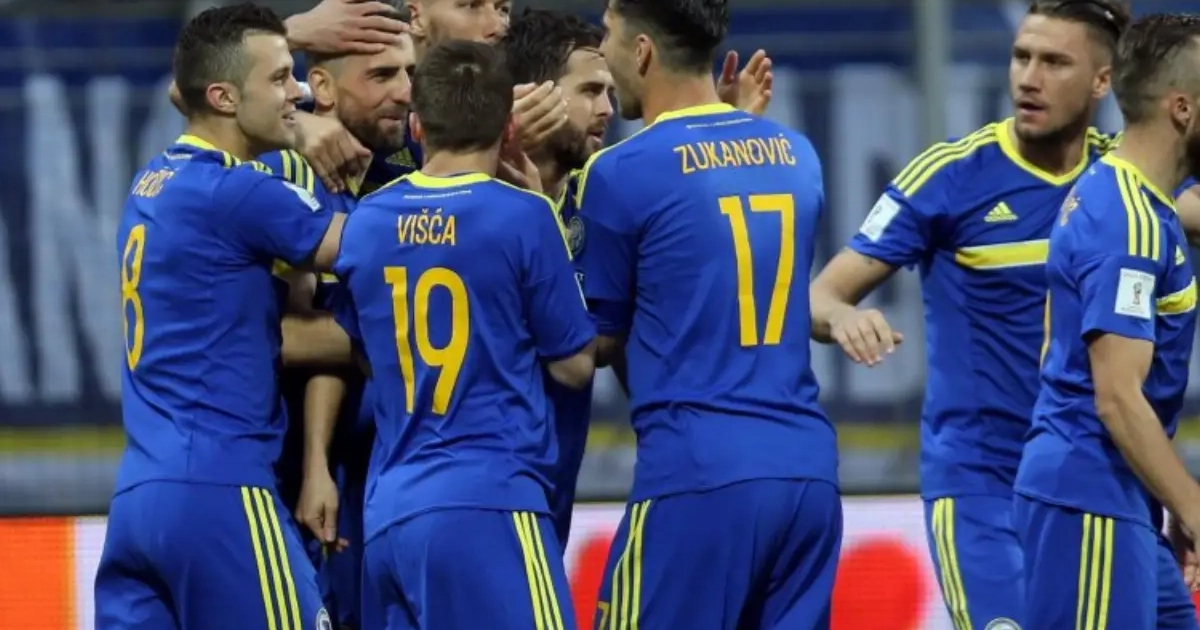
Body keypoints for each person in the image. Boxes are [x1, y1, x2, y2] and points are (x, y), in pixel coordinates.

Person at [808, 2, 1129, 626]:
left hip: (1091, 486)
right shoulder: (950, 176)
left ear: (1102, 81)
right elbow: (822, 297)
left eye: (1054, 62)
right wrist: (842, 318)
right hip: (983, 489)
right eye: (1021, 57)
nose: (1029, 78)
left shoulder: (1125, 179)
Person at [570, 0, 836, 627]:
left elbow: (595, 344)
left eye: (608, 36)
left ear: (642, 51)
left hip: (698, 476)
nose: (604, 55)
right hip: (807, 471)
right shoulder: (797, 154)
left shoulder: (621, 170)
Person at [96, 4, 347, 630]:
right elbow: (367, 245)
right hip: (221, 492)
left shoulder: (152, 182)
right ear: (224, 98)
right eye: (280, 78)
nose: (298, 95)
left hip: (139, 498)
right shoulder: (236, 191)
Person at [334, 40, 596, 629]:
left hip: (391, 514)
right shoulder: (523, 214)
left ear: (417, 126)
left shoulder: (367, 221)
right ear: (509, 128)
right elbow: (575, 365)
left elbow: (368, 356)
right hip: (490, 502)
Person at [1016, 12, 1200, 629]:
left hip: (1120, 498)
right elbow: (1117, 396)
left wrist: (1167, 494)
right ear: (1183, 109)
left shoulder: (1134, 201)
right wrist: (1193, 504)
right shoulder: (1128, 223)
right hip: (1088, 498)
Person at [257, 31, 417, 630]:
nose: (404, 91)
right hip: (281, 480)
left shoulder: (401, 176)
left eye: (407, 73)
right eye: (381, 76)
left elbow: (330, 316)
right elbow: (276, 331)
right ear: (320, 87)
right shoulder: (278, 174)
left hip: (373, 476)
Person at [500, 8, 613, 548]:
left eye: (609, 91)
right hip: (489, 491)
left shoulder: (603, 204)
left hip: (555, 496)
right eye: (589, 91)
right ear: (534, 96)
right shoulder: (474, 203)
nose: (607, 108)